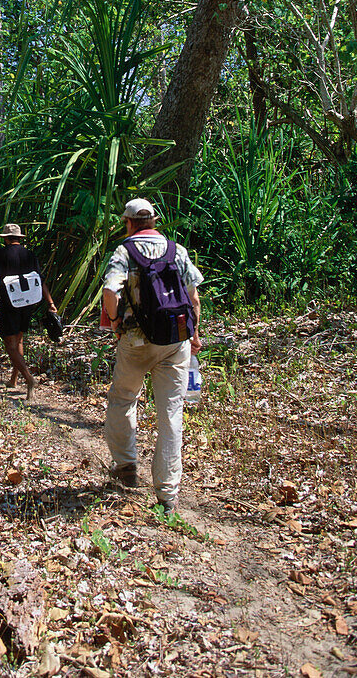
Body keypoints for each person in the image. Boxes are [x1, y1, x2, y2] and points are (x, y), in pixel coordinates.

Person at [102, 198, 202, 516]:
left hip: (136, 341)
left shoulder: (124, 252)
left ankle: (126, 466)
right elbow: (193, 297)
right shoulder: (177, 251)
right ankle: (167, 497)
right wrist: (195, 334)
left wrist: (116, 321)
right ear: (154, 221)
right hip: (175, 341)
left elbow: (109, 292)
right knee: (171, 415)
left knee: (123, 399)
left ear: (128, 222)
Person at [0, 222, 58, 401]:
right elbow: (39, 279)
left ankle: (29, 379)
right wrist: (50, 302)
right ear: (19, 238)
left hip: (10, 303)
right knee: (19, 339)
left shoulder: (2, 254)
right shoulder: (29, 254)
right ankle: (14, 379)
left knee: (10, 345)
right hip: (29, 302)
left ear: (6, 239)